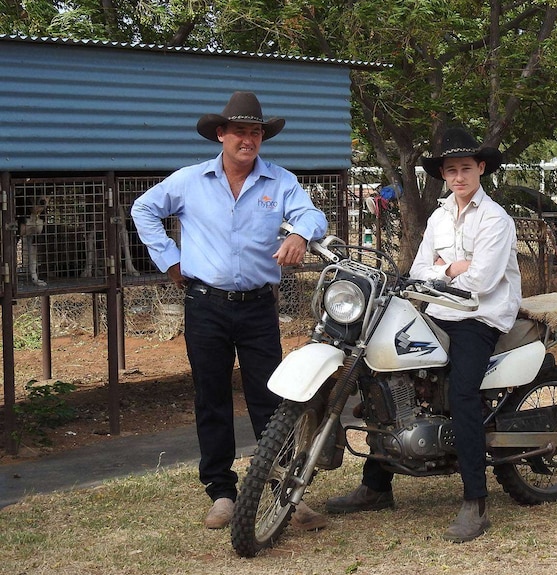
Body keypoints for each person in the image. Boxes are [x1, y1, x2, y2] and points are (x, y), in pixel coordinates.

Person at [131, 91, 329, 530]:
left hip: (258, 308)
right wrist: (169, 258)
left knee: (272, 401)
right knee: (212, 398)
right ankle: (221, 493)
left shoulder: (281, 182)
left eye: (255, 132)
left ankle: (284, 494)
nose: (248, 139)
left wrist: (298, 233)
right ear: (220, 134)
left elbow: (315, 216)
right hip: (205, 305)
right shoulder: (188, 180)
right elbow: (142, 208)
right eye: (239, 130)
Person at [325, 126, 522, 542]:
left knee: (463, 392)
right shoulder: (439, 215)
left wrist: (444, 270)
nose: (458, 177)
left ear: (480, 168)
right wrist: (451, 268)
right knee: (383, 374)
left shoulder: (496, 219)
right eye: (451, 170)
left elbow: (483, 282)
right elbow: (416, 270)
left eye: (466, 168)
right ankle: (376, 486)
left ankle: (475, 502)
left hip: (480, 316)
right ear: (444, 175)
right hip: (439, 310)